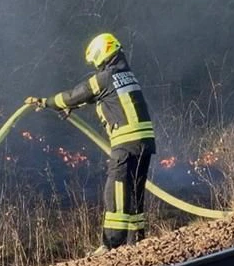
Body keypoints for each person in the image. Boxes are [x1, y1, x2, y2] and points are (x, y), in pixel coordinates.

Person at [26, 32, 155, 251]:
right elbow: (103, 98)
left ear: (101, 54)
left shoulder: (104, 77)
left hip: (125, 144)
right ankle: (137, 243)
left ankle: (111, 245)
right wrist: (74, 106)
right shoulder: (126, 75)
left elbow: (75, 95)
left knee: (115, 192)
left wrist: (46, 102)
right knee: (135, 191)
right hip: (145, 143)